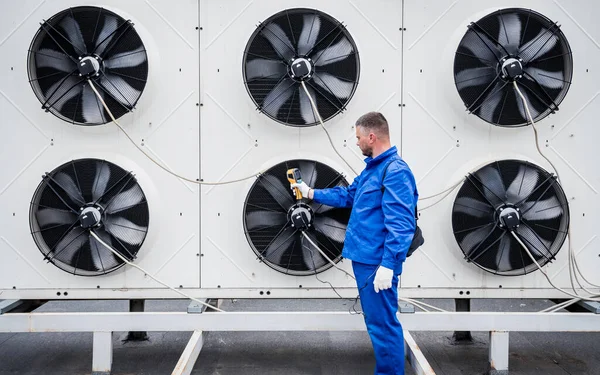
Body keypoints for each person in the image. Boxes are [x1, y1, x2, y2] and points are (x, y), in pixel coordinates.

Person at [291, 112, 418, 375]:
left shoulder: (395, 171)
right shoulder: (373, 169)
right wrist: (311, 193)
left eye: (359, 137)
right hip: (366, 261)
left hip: (376, 264)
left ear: (372, 137)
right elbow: (348, 195)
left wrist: (389, 264)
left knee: (383, 326)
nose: (357, 142)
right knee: (376, 323)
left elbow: (402, 224)